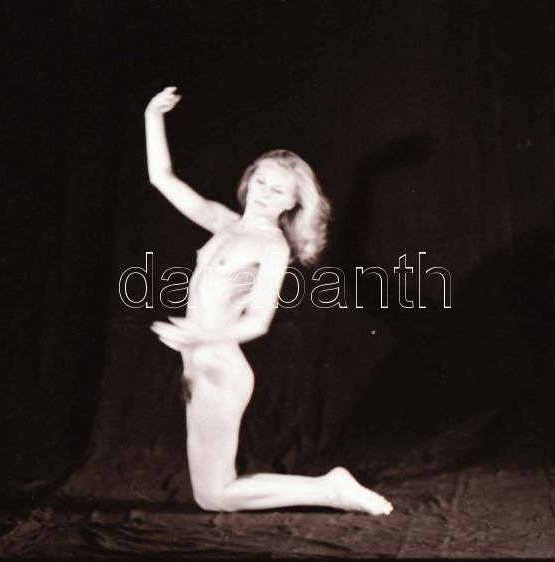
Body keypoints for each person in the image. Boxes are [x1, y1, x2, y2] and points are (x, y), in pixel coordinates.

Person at [145, 86, 393, 515]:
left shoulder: (271, 246)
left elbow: (258, 321)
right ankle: (330, 488)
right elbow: (162, 178)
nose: (263, 193)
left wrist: (200, 336)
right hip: (199, 365)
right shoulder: (223, 222)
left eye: (277, 190)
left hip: (220, 370)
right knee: (212, 493)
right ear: (249, 180)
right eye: (260, 181)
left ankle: (331, 489)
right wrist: (153, 115)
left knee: (215, 495)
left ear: (294, 201)